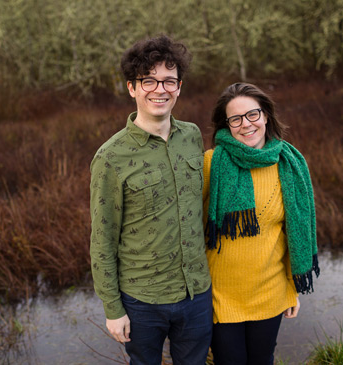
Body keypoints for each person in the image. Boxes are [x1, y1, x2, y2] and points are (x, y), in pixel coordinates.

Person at [89, 35, 212, 365]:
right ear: (132, 87)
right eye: (149, 81)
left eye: (169, 81)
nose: (160, 89)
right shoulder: (110, 157)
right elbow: (102, 241)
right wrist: (113, 310)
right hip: (142, 302)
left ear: (180, 86)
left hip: (196, 293)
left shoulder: (192, 137)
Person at [202, 82, 318, 364]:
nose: (246, 124)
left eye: (252, 114)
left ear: (266, 115)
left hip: (270, 292)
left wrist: (292, 289)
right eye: (236, 119)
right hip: (221, 295)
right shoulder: (211, 163)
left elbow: (293, 235)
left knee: (263, 360)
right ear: (227, 125)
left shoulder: (289, 165)